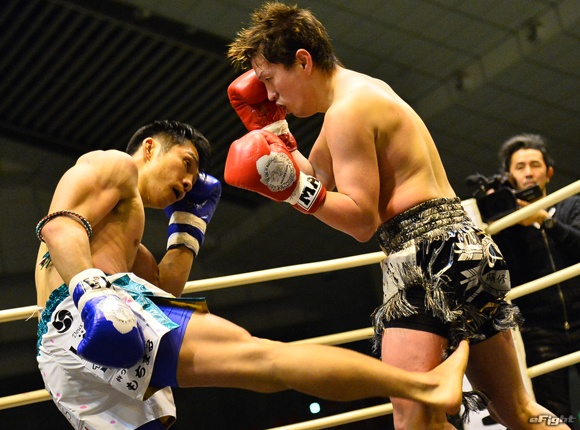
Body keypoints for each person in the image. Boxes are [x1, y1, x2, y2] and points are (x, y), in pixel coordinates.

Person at [224, 3, 569, 428]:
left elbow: (359, 220)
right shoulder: (363, 92)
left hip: (426, 257)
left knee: (412, 418)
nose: (269, 95)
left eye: (269, 80)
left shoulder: (347, 112)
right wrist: (273, 133)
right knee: (517, 409)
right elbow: (319, 176)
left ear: (303, 61)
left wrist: (293, 190)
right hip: (465, 246)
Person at [35, 119, 471, 430]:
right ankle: (424, 385)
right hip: (84, 311)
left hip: (62, 356)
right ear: (150, 147)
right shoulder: (114, 164)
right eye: (185, 163)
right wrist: (94, 294)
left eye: (193, 176)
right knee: (264, 359)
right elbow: (59, 226)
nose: (188, 183)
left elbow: (164, 290)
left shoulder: (123, 237)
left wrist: (188, 228)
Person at [491, 134, 580, 423]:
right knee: (554, 416)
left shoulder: (570, 206)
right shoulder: (505, 226)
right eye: (520, 167)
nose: (528, 172)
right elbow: (503, 276)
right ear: (509, 177)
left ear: (548, 172)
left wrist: (544, 220)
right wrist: (502, 222)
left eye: (535, 165)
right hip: (540, 331)